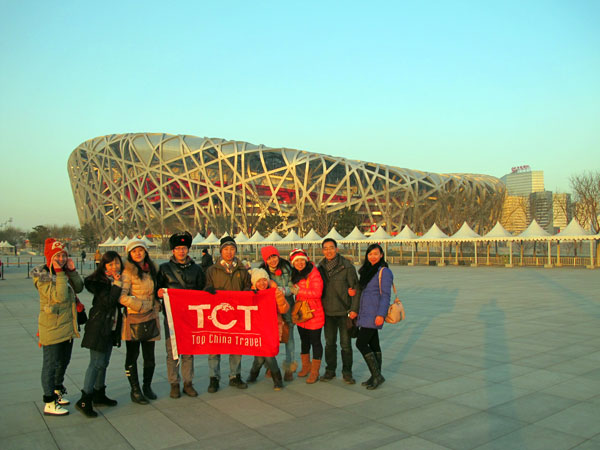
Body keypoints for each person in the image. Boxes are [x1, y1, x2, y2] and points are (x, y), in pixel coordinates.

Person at [32, 238, 84, 416]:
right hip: (52, 327)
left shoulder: (64, 272)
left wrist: (72, 271)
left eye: (64, 255)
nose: (61, 258)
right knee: (50, 364)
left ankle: (57, 390)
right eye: (57, 255)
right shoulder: (42, 275)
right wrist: (61, 273)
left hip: (67, 326)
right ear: (49, 257)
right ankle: (49, 401)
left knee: (63, 362)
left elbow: (79, 287)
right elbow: (60, 296)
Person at [157, 231, 206, 399]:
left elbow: (202, 290)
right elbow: (157, 289)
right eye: (178, 248)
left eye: (184, 248)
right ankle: (174, 383)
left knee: (188, 351)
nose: (181, 251)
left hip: (190, 316)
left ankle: (188, 383)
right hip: (171, 317)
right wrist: (159, 294)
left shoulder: (196, 269)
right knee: (172, 352)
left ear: (188, 250)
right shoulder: (164, 269)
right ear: (172, 250)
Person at [76, 251, 124, 417]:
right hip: (99, 327)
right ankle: (85, 399)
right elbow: (109, 302)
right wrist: (117, 285)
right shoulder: (97, 282)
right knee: (96, 363)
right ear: (103, 266)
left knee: (104, 362)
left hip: (111, 327)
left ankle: (99, 394)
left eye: (116, 263)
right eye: (110, 264)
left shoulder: (119, 279)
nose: (114, 267)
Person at [204, 236, 251, 393]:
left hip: (236, 314)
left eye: (232, 249)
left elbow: (247, 287)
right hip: (217, 314)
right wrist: (208, 291)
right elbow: (205, 288)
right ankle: (213, 378)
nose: (229, 252)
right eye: (226, 249)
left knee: (236, 346)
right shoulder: (212, 270)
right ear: (220, 251)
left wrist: (247, 293)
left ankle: (235, 376)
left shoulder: (242, 269)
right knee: (214, 347)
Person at [119, 239, 161, 404]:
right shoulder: (127, 272)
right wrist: (139, 305)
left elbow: (155, 291)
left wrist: (155, 305)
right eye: (134, 251)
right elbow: (121, 296)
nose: (138, 253)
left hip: (150, 316)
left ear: (145, 252)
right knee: (132, 355)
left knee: (149, 357)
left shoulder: (152, 269)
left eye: (141, 250)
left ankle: (147, 386)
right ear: (129, 253)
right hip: (134, 317)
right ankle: (135, 390)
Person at [349, 243, 392, 390]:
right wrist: (354, 293)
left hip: (374, 314)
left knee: (360, 343)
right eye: (370, 254)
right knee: (374, 344)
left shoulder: (384, 271)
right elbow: (363, 291)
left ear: (381, 255)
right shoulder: (366, 271)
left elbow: (385, 296)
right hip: (365, 313)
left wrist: (381, 314)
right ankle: (376, 375)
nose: (372, 256)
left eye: (376, 254)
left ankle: (377, 375)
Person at [317, 238, 359, 384]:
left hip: (344, 312)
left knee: (345, 344)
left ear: (336, 249)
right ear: (322, 251)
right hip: (327, 312)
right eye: (325, 248)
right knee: (329, 344)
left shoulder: (347, 266)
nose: (328, 251)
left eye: (331, 248)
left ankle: (347, 372)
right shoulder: (320, 267)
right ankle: (330, 370)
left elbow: (355, 288)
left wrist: (354, 309)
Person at [246, 268, 289, 390]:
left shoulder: (273, 292)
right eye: (259, 281)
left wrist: (280, 298)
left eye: (264, 280)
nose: (262, 283)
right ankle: (253, 374)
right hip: (256, 329)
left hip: (271, 328)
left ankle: (277, 380)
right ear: (254, 283)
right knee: (259, 357)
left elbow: (284, 309)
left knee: (268, 354)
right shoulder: (250, 294)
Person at [258, 246, 297, 381]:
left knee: (289, 338)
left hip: (287, 307)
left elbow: (294, 288)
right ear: (265, 260)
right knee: (271, 339)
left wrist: (279, 290)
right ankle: (270, 366)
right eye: (269, 258)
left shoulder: (287, 268)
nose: (272, 260)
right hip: (270, 310)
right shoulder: (262, 271)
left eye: (274, 256)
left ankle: (289, 367)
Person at [289, 248, 325, 384]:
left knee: (315, 342)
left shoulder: (313, 273)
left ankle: (315, 371)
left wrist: (299, 290)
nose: (299, 263)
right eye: (296, 261)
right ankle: (306, 366)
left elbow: (317, 293)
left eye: (301, 260)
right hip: (301, 314)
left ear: (306, 261)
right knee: (304, 341)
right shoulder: (295, 274)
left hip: (314, 313)